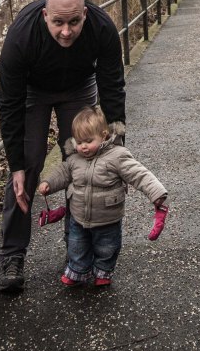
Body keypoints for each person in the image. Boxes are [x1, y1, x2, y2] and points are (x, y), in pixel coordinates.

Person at [0, 0, 126, 293]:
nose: (66, 31)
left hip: (79, 88)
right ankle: (13, 255)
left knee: (82, 159)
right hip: (32, 91)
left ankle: (77, 248)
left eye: (74, 22)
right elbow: (9, 104)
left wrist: (117, 146)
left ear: (85, 14)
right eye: (58, 22)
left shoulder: (102, 28)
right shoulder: (21, 36)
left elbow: (112, 87)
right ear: (45, 15)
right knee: (27, 166)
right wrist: (15, 164)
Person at [38, 106, 168, 289]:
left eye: (88, 141)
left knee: (107, 247)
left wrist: (157, 194)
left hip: (108, 216)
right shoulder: (74, 159)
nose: (83, 146)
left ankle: (103, 270)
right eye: (79, 142)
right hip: (79, 216)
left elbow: (139, 174)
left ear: (104, 135)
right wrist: (48, 183)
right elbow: (62, 173)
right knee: (77, 245)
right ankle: (78, 270)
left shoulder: (117, 156)